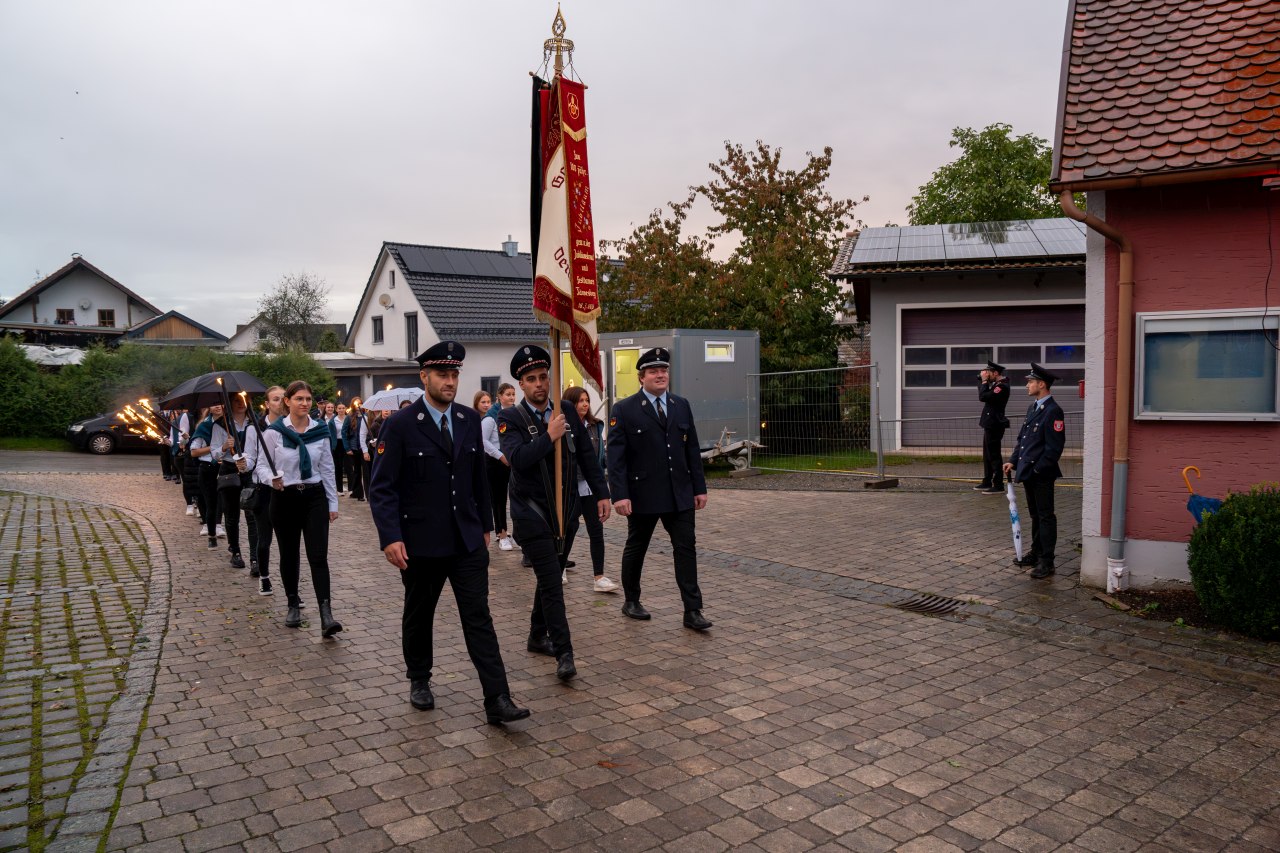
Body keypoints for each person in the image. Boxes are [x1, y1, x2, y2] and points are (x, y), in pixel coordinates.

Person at [368, 341, 530, 724]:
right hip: (420, 541)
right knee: (420, 613)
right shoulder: (400, 425)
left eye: (455, 374)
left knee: (478, 616)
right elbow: (382, 487)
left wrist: (486, 526)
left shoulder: (468, 419)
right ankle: (419, 678)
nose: (450, 381)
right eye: (443, 374)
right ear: (424, 376)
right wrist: (391, 537)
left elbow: (476, 478)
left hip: (466, 540)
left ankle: (497, 698)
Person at [498, 346, 611, 682]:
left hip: (566, 511)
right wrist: (549, 436)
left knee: (550, 577)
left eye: (544, 377)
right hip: (531, 513)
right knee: (552, 584)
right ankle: (564, 652)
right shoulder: (510, 418)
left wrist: (601, 493)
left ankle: (536, 636)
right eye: (531, 379)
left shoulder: (564, 409)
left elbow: (587, 457)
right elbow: (517, 459)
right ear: (520, 384)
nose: (539, 384)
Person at [607, 347, 712, 630]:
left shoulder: (681, 405)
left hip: (680, 493)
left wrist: (699, 488)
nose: (660, 375)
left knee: (685, 548)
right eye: (653, 371)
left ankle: (692, 610)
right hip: (643, 494)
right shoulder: (624, 409)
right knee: (637, 546)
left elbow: (692, 449)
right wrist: (620, 494)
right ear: (641, 378)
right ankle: (631, 600)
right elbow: (616, 457)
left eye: (663, 370)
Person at [256, 381, 343, 636]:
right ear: (288, 402)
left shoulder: (320, 430)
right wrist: (271, 478)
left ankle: (326, 614)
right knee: (289, 554)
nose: (304, 403)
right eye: (299, 399)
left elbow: (327, 468)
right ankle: (292, 604)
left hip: (314, 497)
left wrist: (333, 502)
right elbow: (261, 466)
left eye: (307, 399)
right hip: (284, 498)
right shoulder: (274, 432)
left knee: (318, 556)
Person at [1004, 363, 1066, 580]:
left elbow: (1053, 449)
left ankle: (1047, 561)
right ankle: (1036, 551)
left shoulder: (1053, 411)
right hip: (1029, 472)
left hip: (1041, 474)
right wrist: (1013, 461)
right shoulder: (1033, 407)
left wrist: (1038, 469)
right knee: (1035, 515)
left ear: (1042, 384)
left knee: (1045, 516)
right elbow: (1023, 439)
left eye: (1030, 381)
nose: (1027, 385)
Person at [562, 386, 618, 593]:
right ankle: (560, 567)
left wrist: (603, 487)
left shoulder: (596, 425)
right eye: (579, 401)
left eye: (586, 400)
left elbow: (599, 458)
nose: (584, 404)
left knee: (596, 531)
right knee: (569, 527)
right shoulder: (563, 425)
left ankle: (599, 576)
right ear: (569, 403)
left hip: (591, 486)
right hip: (570, 485)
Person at [238, 386, 286, 596]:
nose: (280, 402)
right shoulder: (254, 428)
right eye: (275, 399)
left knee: (288, 541)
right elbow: (250, 458)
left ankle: (290, 587)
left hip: (286, 489)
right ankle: (264, 576)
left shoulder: (290, 426)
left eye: (283, 398)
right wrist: (243, 463)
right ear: (266, 404)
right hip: (264, 489)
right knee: (264, 539)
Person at [189, 404, 237, 559]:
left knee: (226, 503)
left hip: (226, 467)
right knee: (211, 503)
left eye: (221, 404)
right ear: (208, 408)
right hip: (208, 467)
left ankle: (222, 529)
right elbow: (194, 452)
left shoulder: (230, 424)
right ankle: (211, 534)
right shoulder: (204, 427)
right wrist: (215, 447)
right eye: (214, 405)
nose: (218, 407)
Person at [480, 385, 516, 552]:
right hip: (496, 462)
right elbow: (484, 441)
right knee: (499, 500)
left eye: (513, 394)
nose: (511, 397)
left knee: (515, 497)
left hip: (512, 460)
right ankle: (502, 534)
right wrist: (500, 456)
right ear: (499, 397)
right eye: (508, 394)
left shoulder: (516, 414)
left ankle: (515, 534)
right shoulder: (490, 418)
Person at [975, 361, 1011, 495]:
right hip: (990, 423)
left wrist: (984, 382)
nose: (986, 375)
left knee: (994, 454)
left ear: (995, 373)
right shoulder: (996, 384)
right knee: (987, 454)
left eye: (988, 373)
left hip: (995, 424)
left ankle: (998, 484)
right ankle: (987, 481)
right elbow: (984, 395)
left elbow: (983, 397)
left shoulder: (1002, 386)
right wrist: (983, 381)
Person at [343, 399, 370, 502]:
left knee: (366, 471)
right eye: (356, 403)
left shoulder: (366, 416)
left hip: (364, 447)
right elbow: (344, 432)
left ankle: (368, 494)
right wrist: (347, 448)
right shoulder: (349, 417)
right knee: (357, 471)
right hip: (354, 447)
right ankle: (359, 493)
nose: (358, 405)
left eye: (360, 402)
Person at [329, 403, 348, 495]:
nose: (341, 410)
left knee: (348, 466)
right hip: (337, 444)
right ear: (336, 409)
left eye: (343, 408)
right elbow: (330, 434)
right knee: (338, 467)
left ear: (345, 409)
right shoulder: (333, 421)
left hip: (346, 443)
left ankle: (351, 488)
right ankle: (339, 489)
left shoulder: (348, 419)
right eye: (339, 408)